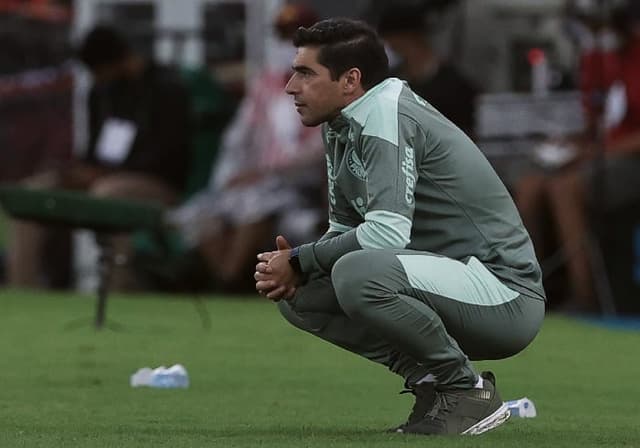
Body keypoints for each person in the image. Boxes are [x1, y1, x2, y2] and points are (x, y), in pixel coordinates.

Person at [254, 18, 545, 436]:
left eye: (305, 73)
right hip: (446, 284)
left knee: (354, 273)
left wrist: (302, 257)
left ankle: (466, 391)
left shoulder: (384, 113)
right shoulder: (343, 121)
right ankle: (432, 383)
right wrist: (295, 266)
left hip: (505, 295)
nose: (290, 86)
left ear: (351, 80)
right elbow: (345, 229)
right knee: (301, 293)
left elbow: (386, 236)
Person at [7, 25, 192, 290]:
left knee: (110, 194)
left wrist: (105, 174)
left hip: (153, 183)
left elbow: (169, 156)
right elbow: (96, 149)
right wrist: (75, 170)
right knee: (34, 191)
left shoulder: (167, 89)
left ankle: (117, 288)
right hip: (101, 177)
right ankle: (22, 286)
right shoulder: (102, 93)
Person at [167, 3, 324, 290]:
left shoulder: (325, 86)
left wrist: (267, 174)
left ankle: (229, 282)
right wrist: (228, 178)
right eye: (283, 37)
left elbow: (319, 150)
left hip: (296, 186)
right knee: (198, 214)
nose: (287, 45)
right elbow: (237, 141)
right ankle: (227, 279)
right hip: (253, 183)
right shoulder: (264, 85)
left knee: (255, 203)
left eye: (296, 39)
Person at [515, 0, 640, 312]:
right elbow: (600, 122)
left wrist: (595, 151)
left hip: (630, 158)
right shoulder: (600, 59)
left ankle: (583, 294)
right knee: (529, 185)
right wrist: (572, 145)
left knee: (565, 188)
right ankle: (530, 289)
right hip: (603, 152)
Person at [377, 5, 478, 136]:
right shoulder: (390, 84)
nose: (391, 50)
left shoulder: (457, 88)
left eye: (394, 44)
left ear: (411, 40)